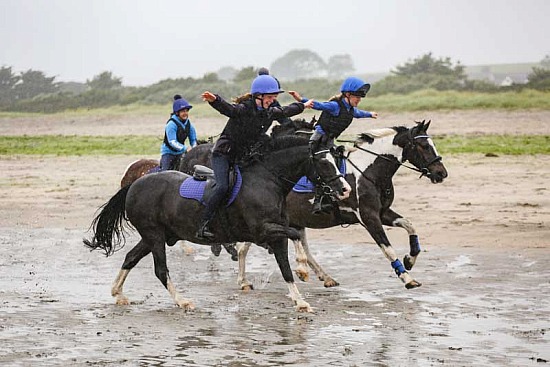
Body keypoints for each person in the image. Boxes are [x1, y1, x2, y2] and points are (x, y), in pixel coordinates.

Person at [196, 74, 313, 239]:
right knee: (222, 187)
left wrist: (303, 105)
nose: (272, 100)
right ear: (258, 96)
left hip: (243, 156)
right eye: (270, 97)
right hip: (224, 155)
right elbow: (229, 109)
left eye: (274, 97)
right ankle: (203, 224)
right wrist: (215, 100)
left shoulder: (269, 111)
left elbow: (286, 110)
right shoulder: (244, 109)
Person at [289, 76, 378, 214]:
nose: (359, 100)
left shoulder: (350, 109)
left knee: (337, 159)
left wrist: (370, 114)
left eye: (360, 98)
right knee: (316, 164)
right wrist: (301, 100)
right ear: (347, 95)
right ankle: (318, 199)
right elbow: (319, 105)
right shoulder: (335, 106)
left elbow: (359, 113)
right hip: (318, 140)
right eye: (357, 97)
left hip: (329, 141)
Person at [159, 95, 198, 171]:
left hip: (180, 153)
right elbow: (172, 142)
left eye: (186, 111)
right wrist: (186, 148)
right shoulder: (171, 125)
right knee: (165, 173)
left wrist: (193, 148)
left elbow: (193, 140)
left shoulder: (189, 125)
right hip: (168, 153)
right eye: (183, 111)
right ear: (177, 113)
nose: (185, 113)